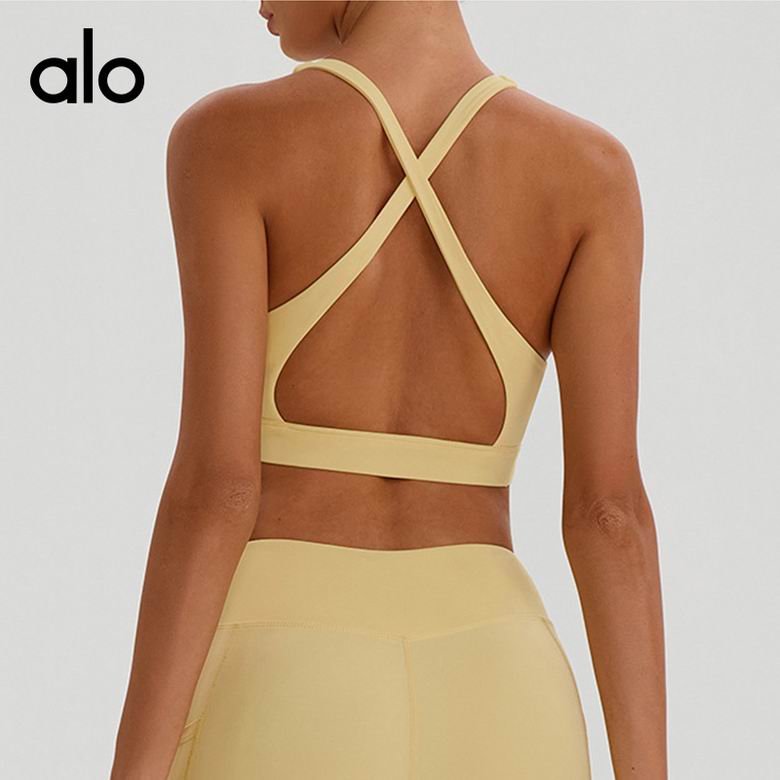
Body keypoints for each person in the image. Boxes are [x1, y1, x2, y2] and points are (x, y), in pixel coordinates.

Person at [110, 2, 666, 778]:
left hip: (284, 674)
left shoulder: (230, 138)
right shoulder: (589, 171)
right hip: (503, 681)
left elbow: (217, 491)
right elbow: (610, 513)